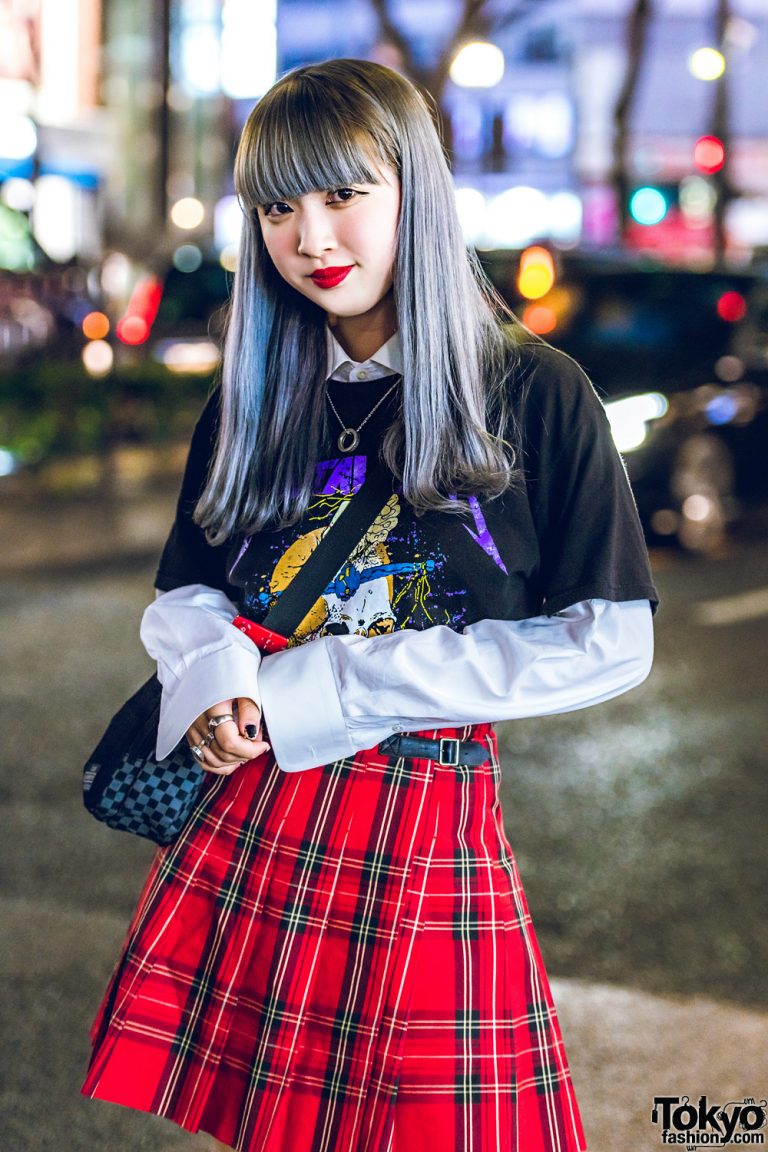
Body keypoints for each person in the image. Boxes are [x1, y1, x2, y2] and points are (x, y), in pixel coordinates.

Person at [82, 58, 657, 1152]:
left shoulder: (532, 392)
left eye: (344, 193)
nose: (310, 236)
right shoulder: (258, 394)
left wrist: (335, 681)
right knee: (270, 1126)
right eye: (278, 205)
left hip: (419, 818)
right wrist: (216, 683)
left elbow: (611, 641)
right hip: (253, 807)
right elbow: (187, 588)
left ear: (414, 194)